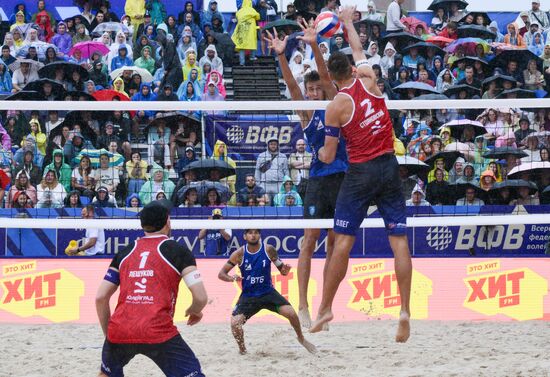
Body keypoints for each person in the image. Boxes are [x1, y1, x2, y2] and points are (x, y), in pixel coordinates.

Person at [311, 7, 412, 342]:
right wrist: (348, 21)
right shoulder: (370, 79)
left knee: (343, 242)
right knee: (399, 241)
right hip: (388, 167)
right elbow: (356, 48)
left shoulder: (335, 106)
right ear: (353, 70)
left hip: (360, 173)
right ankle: (404, 311)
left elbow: (327, 155)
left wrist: (312, 153)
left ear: (332, 76)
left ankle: (325, 307)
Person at [95, 200, 206, 376]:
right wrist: (195, 310)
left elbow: (100, 297)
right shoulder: (178, 250)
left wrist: (110, 336)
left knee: (106, 374)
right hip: (157, 330)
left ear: (142, 225)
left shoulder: (125, 252)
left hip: (120, 329)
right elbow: (200, 297)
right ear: (168, 221)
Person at [218, 228, 317, 355]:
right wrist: (232, 278)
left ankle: (301, 338)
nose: (253, 235)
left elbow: (282, 270)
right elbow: (221, 274)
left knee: (292, 314)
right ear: (244, 236)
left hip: (268, 293)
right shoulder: (239, 253)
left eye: (256, 232)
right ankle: (243, 350)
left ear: (259, 235)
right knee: (235, 324)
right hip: (249, 296)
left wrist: (284, 270)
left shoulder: (269, 249)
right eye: (250, 233)